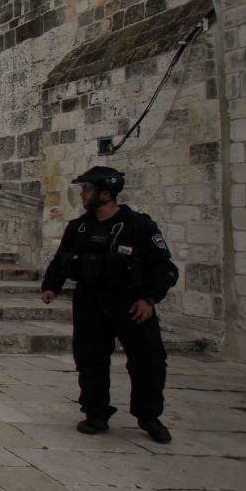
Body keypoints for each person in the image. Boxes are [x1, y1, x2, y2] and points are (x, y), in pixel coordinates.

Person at [41, 166, 178, 444]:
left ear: (106, 193)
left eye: (88, 189)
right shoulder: (79, 227)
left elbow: (163, 267)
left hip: (130, 302)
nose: (83, 194)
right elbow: (62, 258)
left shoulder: (140, 226)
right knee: (90, 357)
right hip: (90, 300)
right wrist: (51, 286)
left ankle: (148, 416)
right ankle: (96, 412)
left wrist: (149, 298)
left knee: (147, 360)